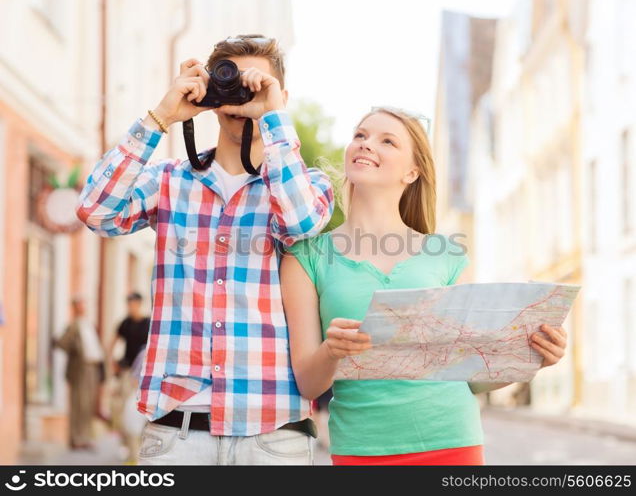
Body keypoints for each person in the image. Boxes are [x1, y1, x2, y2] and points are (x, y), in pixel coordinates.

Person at [75, 35, 334, 465]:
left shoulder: (305, 185)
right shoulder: (169, 181)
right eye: (233, 84)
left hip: (273, 437)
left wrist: (272, 119)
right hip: (177, 434)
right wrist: (161, 117)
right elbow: (94, 210)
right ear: (213, 95)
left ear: (281, 97)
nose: (243, 97)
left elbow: (300, 222)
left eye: (258, 86)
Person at [280, 106, 568, 465]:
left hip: (453, 441)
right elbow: (308, 383)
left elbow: (471, 377)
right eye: (360, 135)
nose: (367, 144)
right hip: (362, 446)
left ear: (412, 172)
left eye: (387, 141)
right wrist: (331, 351)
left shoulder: (444, 254)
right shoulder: (306, 256)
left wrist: (530, 357)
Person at [55, 296, 105, 450]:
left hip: (93, 367)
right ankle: (76, 438)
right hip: (80, 369)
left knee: (88, 404)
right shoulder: (73, 325)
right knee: (79, 403)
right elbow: (62, 343)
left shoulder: (88, 324)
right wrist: (74, 346)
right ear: (74, 308)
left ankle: (85, 437)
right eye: (79, 305)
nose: (82, 308)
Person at [108, 292, 151, 463]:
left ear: (139, 304)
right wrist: (113, 364)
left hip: (142, 374)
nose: (131, 306)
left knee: (141, 414)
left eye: (133, 303)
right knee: (124, 412)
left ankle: (140, 448)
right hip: (127, 374)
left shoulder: (147, 323)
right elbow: (112, 344)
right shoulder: (125, 323)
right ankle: (127, 446)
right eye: (129, 303)